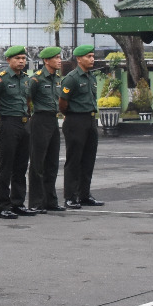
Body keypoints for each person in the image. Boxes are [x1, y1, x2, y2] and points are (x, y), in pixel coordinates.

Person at [0, 45, 36, 219]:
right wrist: (0, 113)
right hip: (9, 124)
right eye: (17, 58)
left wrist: (27, 113)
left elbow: (28, 98)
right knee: (6, 166)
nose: (21, 61)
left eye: (23, 58)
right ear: (8, 60)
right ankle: (3, 206)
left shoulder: (25, 79)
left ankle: (18, 203)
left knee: (21, 165)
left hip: (24, 123)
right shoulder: (2, 79)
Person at [58, 45, 103, 208]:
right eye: (88, 56)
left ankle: (84, 194)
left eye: (92, 56)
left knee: (88, 159)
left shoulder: (91, 77)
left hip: (90, 120)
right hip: (75, 120)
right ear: (79, 59)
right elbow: (62, 102)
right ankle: (70, 196)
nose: (92, 59)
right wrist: (71, 114)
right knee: (74, 160)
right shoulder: (72, 78)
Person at [27, 46, 66, 212]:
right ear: (46, 60)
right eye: (56, 58)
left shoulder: (57, 79)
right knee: (38, 163)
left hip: (53, 120)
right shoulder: (36, 79)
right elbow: (27, 98)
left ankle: (50, 200)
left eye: (60, 57)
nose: (59, 60)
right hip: (39, 120)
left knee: (52, 163)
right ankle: (36, 202)